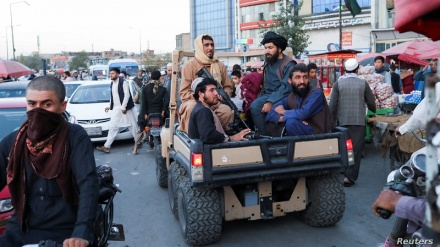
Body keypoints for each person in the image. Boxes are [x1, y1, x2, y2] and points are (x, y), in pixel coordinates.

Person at [0, 76, 99, 247]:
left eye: (46, 105)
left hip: (67, 232)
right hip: (21, 230)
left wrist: (81, 232)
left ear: (62, 106)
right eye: (32, 104)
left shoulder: (75, 137)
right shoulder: (13, 142)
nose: (38, 111)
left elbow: (88, 184)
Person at [329, 58, 376, 187]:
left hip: (341, 121)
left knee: (342, 148)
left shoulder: (338, 84)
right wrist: (373, 110)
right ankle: (349, 177)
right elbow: (371, 102)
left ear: (344, 69)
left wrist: (329, 120)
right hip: (358, 121)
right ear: (357, 69)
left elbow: (332, 104)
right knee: (355, 150)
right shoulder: (363, 83)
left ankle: (341, 170)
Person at [179, 34, 234, 133]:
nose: (210, 48)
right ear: (200, 47)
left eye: (212, 45)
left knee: (226, 111)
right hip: (194, 100)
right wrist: (202, 99)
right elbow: (184, 92)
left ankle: (219, 137)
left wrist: (225, 95)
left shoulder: (219, 65)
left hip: (215, 100)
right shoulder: (189, 66)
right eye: (206, 45)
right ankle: (194, 139)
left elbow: (227, 86)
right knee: (192, 108)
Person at [250, 31, 296, 135]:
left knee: (256, 107)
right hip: (267, 95)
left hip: (283, 96)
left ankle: (265, 137)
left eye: (270, 48)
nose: (267, 51)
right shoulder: (268, 61)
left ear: (279, 49)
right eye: (266, 48)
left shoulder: (289, 64)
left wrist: (270, 101)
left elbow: (286, 88)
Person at [266, 63, 331, 136]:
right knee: (289, 122)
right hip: (300, 135)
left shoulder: (316, 93)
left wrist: (283, 112)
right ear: (290, 81)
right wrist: (283, 119)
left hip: (319, 135)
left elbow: (304, 113)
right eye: (297, 77)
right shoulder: (290, 97)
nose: (302, 81)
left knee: (291, 123)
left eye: (305, 77)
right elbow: (270, 114)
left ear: (308, 79)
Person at [188, 77, 251, 144]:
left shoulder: (202, 108)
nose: (216, 93)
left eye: (215, 90)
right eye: (211, 90)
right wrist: (233, 138)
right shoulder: (203, 110)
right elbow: (208, 136)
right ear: (201, 94)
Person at [97, 68, 140, 154]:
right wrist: (109, 106)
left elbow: (127, 95)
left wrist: (123, 107)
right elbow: (113, 96)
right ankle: (107, 146)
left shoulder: (123, 82)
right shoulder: (112, 83)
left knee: (131, 126)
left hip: (124, 108)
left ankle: (138, 141)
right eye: (110, 73)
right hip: (116, 109)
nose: (111, 75)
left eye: (113, 73)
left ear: (117, 74)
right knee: (113, 127)